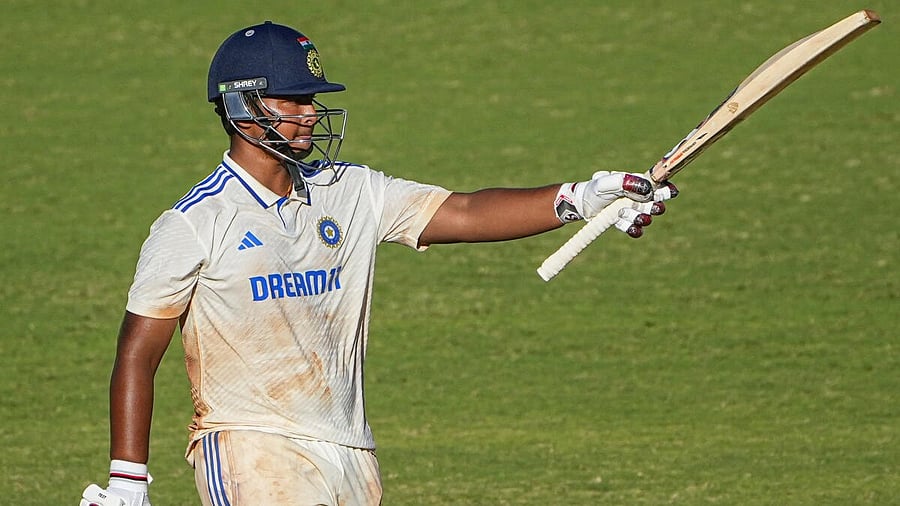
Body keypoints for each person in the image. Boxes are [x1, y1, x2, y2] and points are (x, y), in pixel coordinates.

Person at [80, 20, 677, 506]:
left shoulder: (350, 189)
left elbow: (464, 211)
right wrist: (128, 482)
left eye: (313, 100)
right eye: (295, 100)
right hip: (253, 449)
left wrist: (580, 198)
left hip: (350, 452)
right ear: (242, 107)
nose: (310, 113)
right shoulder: (193, 224)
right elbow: (137, 353)